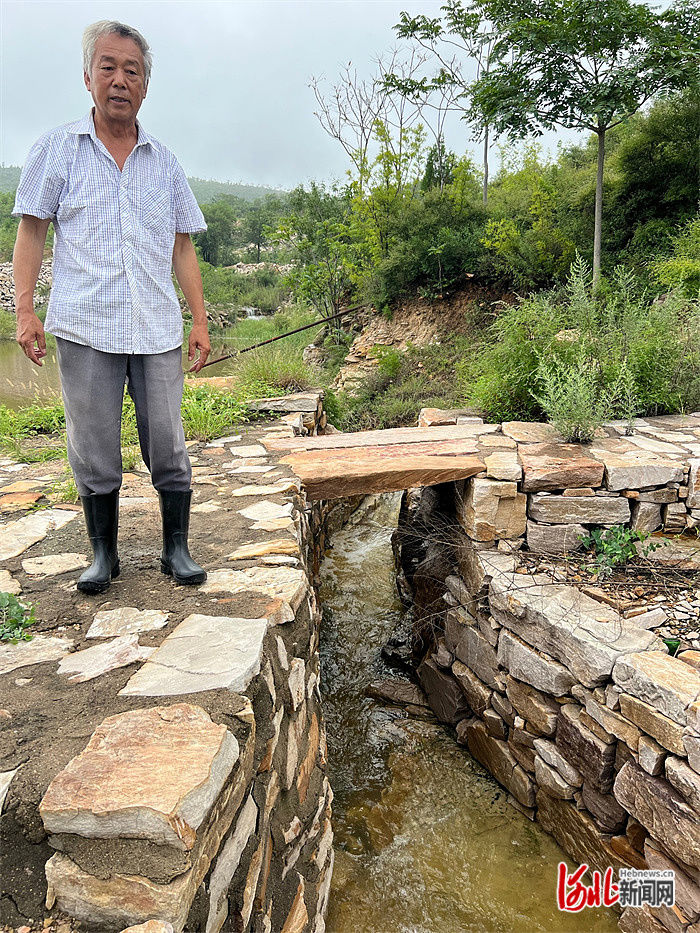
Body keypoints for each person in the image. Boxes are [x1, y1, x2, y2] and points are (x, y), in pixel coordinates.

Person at [12, 20, 211, 593]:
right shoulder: (56, 150)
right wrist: (26, 312)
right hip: (84, 325)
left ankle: (177, 547)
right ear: (87, 76)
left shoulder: (165, 163)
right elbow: (32, 232)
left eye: (132, 70)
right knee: (93, 444)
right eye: (109, 67)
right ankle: (104, 555)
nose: (120, 80)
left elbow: (182, 245)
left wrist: (199, 319)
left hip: (154, 328)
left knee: (168, 443)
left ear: (146, 85)